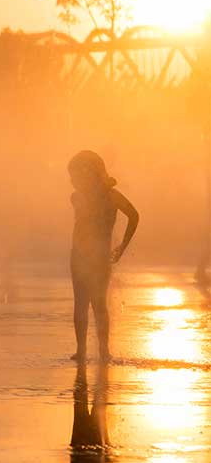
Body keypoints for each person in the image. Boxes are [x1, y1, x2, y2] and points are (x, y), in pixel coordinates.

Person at [68, 150, 139, 363]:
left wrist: (122, 247)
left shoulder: (112, 195)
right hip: (78, 255)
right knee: (80, 303)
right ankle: (81, 350)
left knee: (98, 303)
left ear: (91, 172)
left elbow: (134, 215)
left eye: (76, 175)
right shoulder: (77, 197)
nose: (73, 181)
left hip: (100, 257)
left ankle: (103, 351)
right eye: (72, 176)